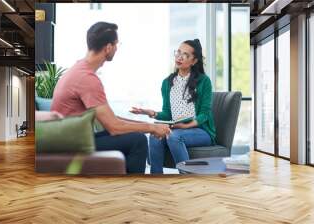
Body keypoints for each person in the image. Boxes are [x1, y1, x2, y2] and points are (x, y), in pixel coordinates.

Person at [50, 22, 171, 174]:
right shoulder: (86, 78)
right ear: (108, 47)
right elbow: (114, 127)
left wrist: (150, 127)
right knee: (138, 141)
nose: (116, 47)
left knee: (135, 135)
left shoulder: (79, 69)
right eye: (116, 44)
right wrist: (152, 128)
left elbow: (112, 119)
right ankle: (132, 192)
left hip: (73, 139)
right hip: (72, 145)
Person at [130, 39, 216, 174]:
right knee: (154, 135)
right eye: (178, 52)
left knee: (174, 136)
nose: (179, 57)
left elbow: (204, 114)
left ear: (194, 61)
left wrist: (186, 126)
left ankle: (187, 178)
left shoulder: (204, 81)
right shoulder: (167, 83)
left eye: (186, 55)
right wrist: (151, 113)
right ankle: (156, 179)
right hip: (176, 128)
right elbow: (167, 114)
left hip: (200, 131)